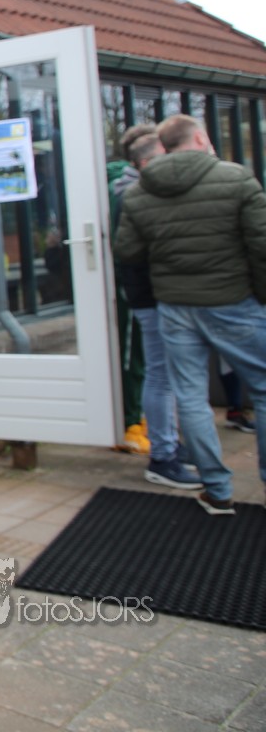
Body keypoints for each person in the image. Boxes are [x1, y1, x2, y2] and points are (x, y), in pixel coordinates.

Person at [115, 113, 266, 515]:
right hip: (235, 301)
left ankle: (217, 490)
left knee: (190, 396)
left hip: (175, 306)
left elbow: (128, 251)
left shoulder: (140, 193)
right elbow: (261, 243)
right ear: (199, 138)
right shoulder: (236, 179)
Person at [111, 126, 200, 488]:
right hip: (148, 297)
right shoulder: (130, 194)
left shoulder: (141, 191)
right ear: (148, 161)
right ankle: (160, 450)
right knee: (156, 373)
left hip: (162, 295)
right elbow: (129, 251)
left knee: (166, 374)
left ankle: (169, 444)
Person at [106, 123, 156, 455]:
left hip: (147, 287)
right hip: (130, 286)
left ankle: (140, 415)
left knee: (145, 357)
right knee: (130, 355)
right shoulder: (123, 190)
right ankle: (128, 422)